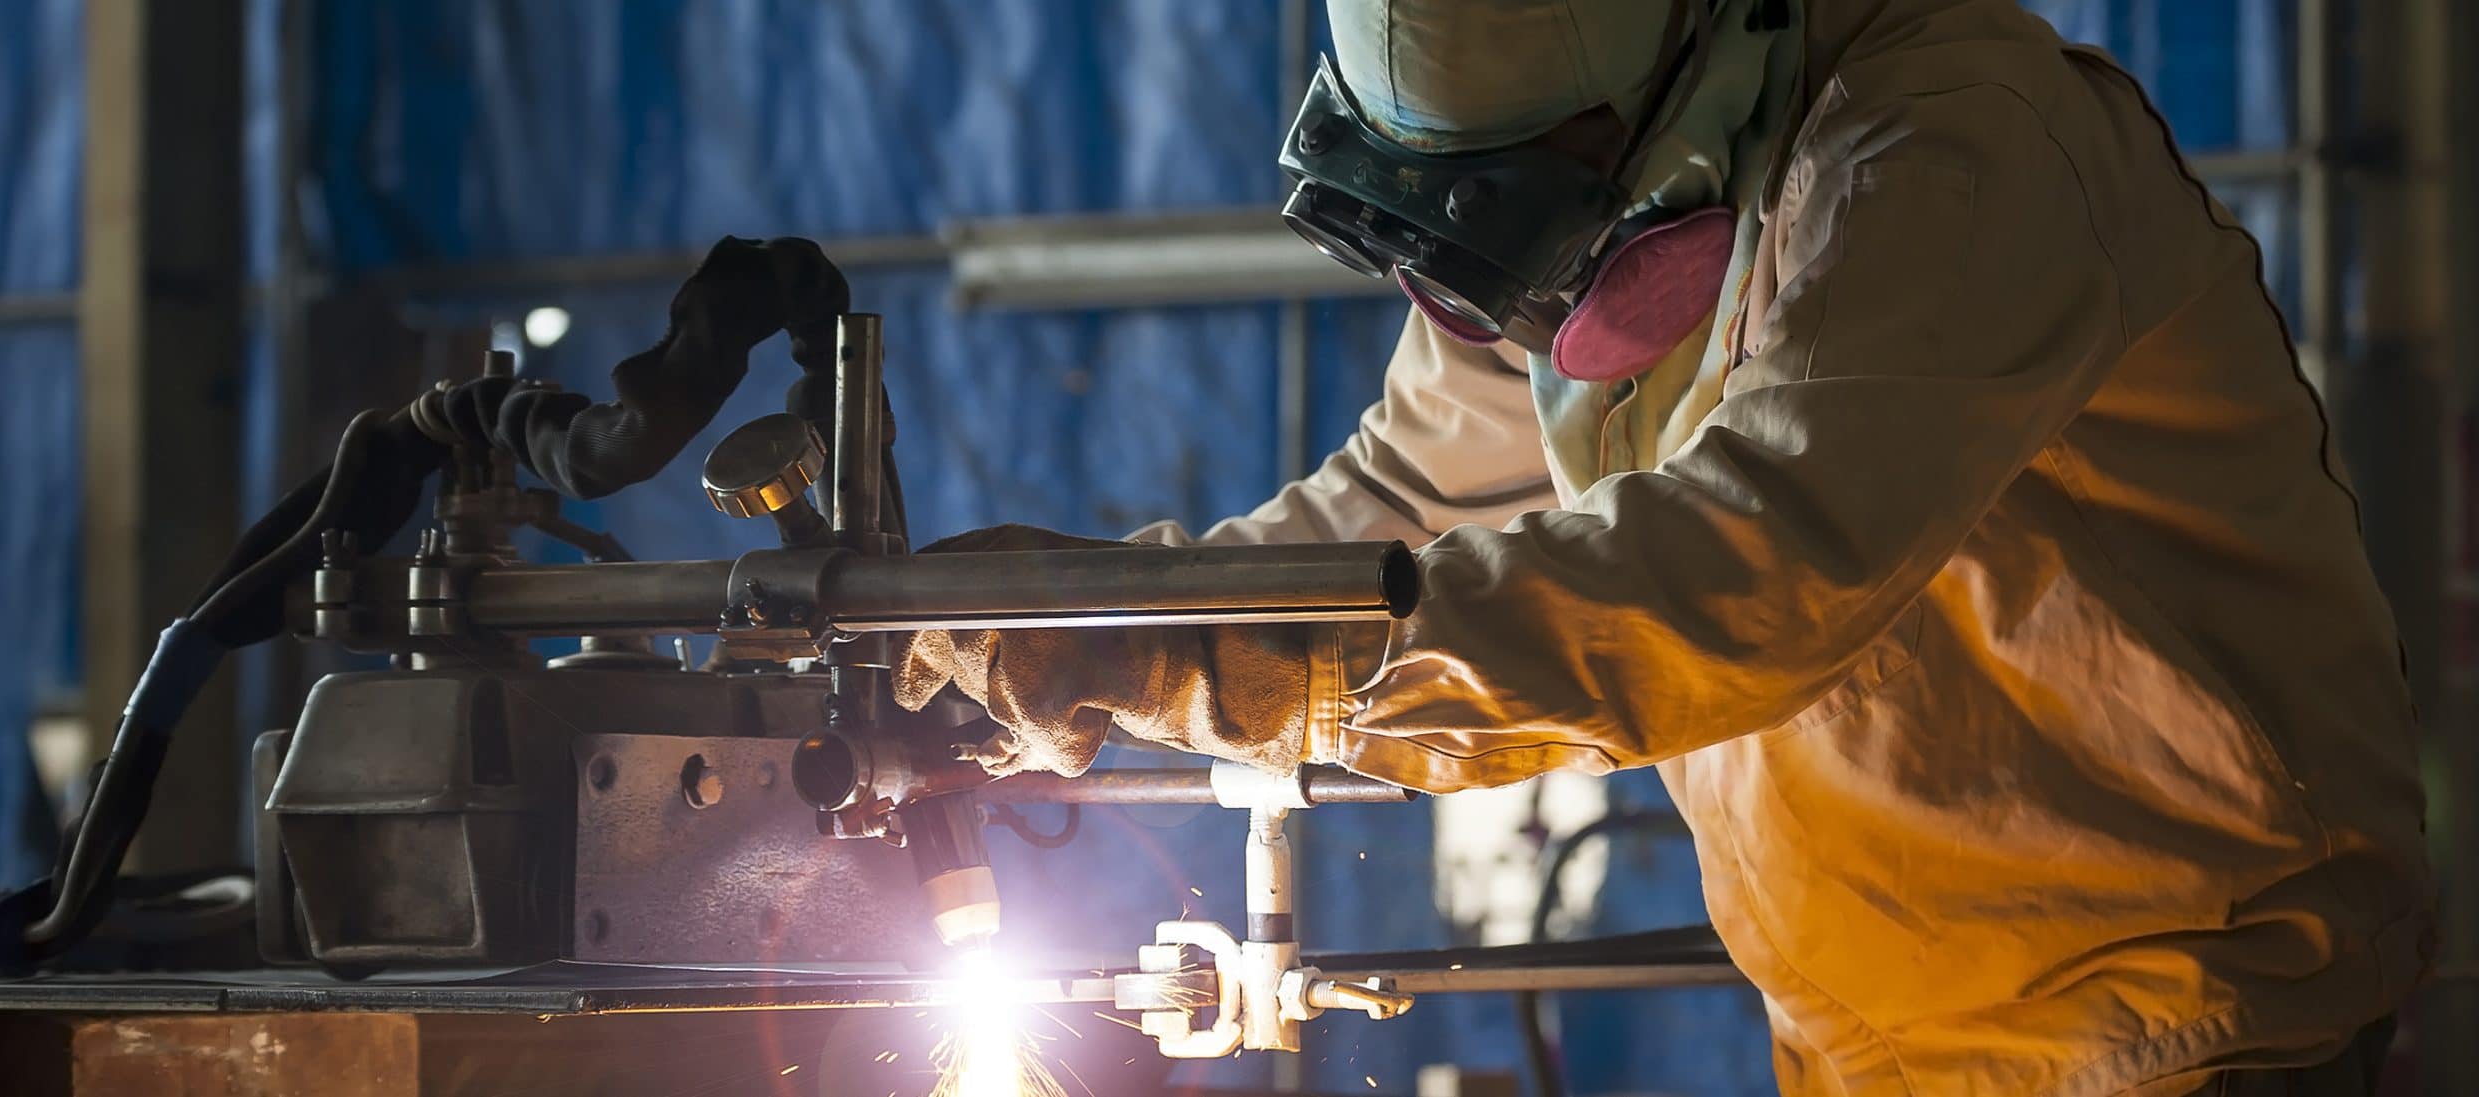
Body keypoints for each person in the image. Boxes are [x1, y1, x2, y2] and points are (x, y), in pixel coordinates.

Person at [891, 1, 2435, 1092]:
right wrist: (1104, 616)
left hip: (2178, 1037)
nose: (1516, 296)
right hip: (1878, 1054)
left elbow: (1737, 583)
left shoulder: (1953, 156)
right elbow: (1388, 523)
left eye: (1548, 180)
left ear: (1703, 51)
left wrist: (1190, 661)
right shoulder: (1573, 236)